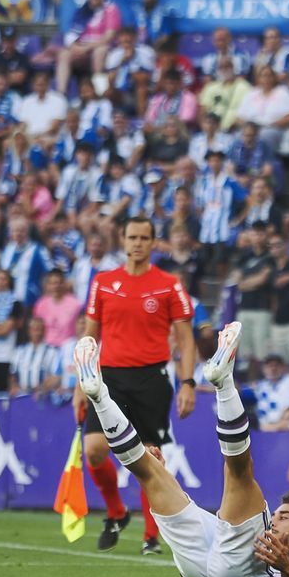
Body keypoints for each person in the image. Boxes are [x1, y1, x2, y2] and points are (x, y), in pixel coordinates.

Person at [74, 322, 289, 577]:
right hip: (198, 570)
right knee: (147, 470)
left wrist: (288, 569)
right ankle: (99, 396)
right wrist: (162, 472)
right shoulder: (270, 539)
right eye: (279, 514)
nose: (276, 519)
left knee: (239, 471)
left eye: (285, 516)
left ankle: (224, 381)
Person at [72, 216, 196, 555]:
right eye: (132, 237)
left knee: (148, 457)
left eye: (144, 238)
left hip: (151, 378)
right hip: (108, 378)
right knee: (95, 450)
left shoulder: (170, 284)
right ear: (123, 240)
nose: (137, 243)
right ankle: (115, 512)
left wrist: (187, 382)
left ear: (154, 243)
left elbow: (186, 340)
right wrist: (81, 382)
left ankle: (151, 535)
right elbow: (90, 334)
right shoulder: (103, 282)